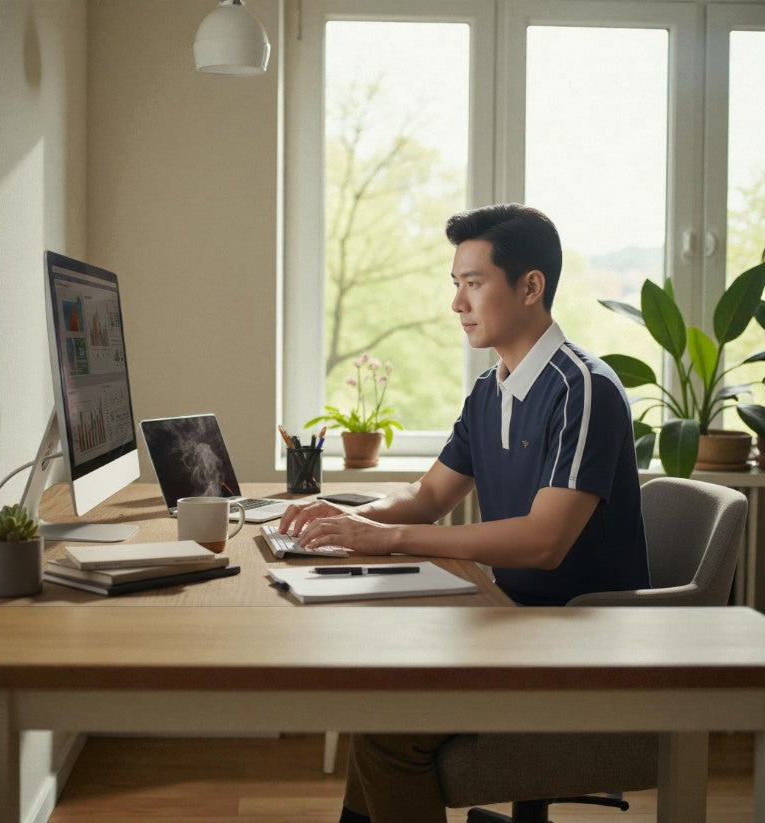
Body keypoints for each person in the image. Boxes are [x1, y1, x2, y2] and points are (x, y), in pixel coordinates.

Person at [278, 203, 650, 823]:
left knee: (389, 732)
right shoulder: (490, 389)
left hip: (579, 644)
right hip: (512, 622)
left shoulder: (584, 388)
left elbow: (543, 543)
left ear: (531, 287)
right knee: (377, 701)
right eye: (456, 284)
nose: (457, 303)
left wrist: (385, 537)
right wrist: (343, 517)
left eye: (473, 283)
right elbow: (429, 497)